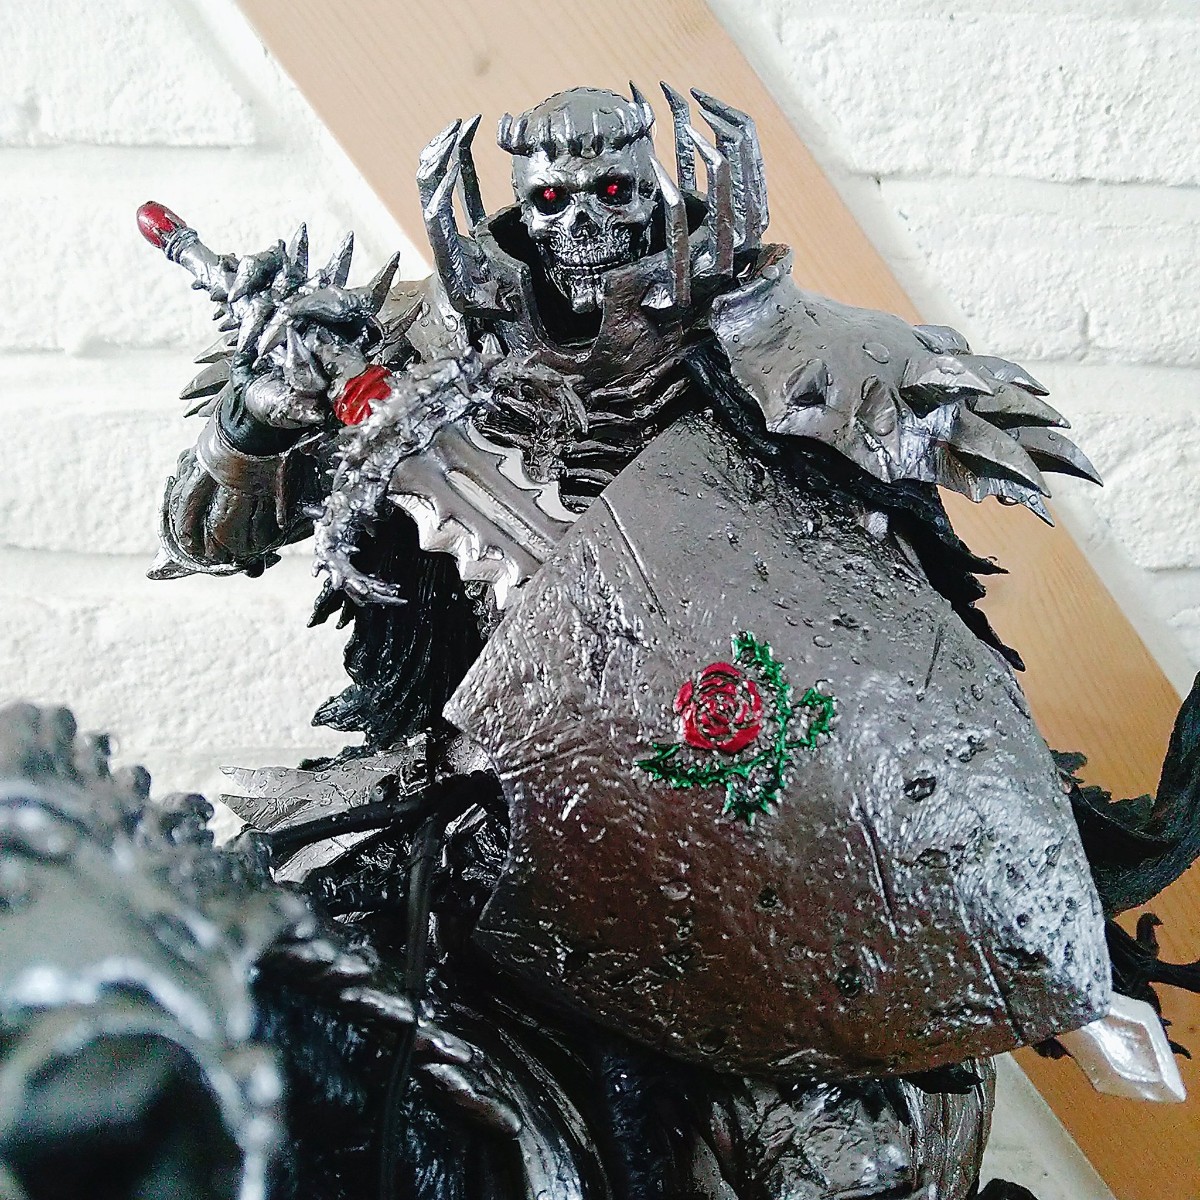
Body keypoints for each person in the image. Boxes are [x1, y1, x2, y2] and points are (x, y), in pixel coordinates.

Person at [118, 84, 1200, 1198]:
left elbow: (892, 599)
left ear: (666, 187)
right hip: (496, 793)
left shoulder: (797, 350)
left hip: (778, 820)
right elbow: (205, 534)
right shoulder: (409, 351)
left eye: (613, 191)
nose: (584, 225)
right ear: (511, 205)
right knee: (292, 1016)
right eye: (552, 201)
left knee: (846, 1165)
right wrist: (253, 420)